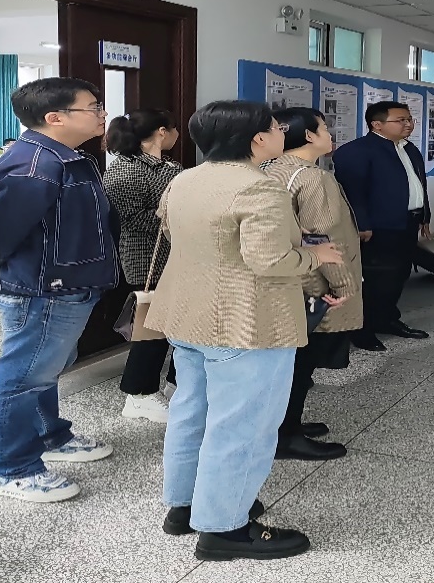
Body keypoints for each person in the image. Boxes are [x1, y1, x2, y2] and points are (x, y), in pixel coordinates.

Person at [144, 101, 343, 561]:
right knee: (244, 425)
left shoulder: (184, 179)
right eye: (275, 127)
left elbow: (178, 235)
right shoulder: (260, 187)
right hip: (247, 321)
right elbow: (270, 260)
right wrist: (317, 256)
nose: (281, 132)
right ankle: (225, 528)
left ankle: (185, 505)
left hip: (188, 314)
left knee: (192, 412)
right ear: (257, 139)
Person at [0, 78, 120, 503]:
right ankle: (8, 468)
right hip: (42, 290)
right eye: (93, 107)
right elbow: (0, 236)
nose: (102, 114)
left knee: (42, 371)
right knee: (21, 378)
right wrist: (37, 281)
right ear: (55, 117)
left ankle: (49, 436)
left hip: (64, 286)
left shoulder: (69, 158)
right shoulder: (35, 165)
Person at [262, 108, 363, 462]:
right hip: (311, 283)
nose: (329, 133)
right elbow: (323, 238)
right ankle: (285, 436)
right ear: (308, 135)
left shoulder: (271, 170)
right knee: (300, 362)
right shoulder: (312, 177)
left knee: (287, 361)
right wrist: (343, 286)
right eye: (323, 127)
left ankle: (285, 425)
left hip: (282, 279)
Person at [103, 110, 183, 423]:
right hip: (145, 258)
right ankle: (139, 395)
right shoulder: (125, 169)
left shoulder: (168, 165)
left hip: (175, 256)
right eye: (174, 128)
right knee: (151, 331)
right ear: (162, 131)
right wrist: (182, 214)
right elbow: (132, 218)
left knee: (175, 328)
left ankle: (176, 385)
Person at [332, 101, 431, 352]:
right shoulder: (356, 151)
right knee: (375, 280)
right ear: (377, 124)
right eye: (401, 120)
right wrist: (362, 224)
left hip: (407, 222)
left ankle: (387, 319)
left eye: (409, 119)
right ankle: (361, 330)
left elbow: (418, 185)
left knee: (398, 275)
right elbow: (352, 193)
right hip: (376, 228)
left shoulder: (408, 148)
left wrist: (424, 217)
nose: (408, 124)